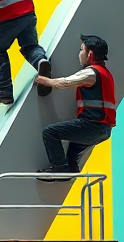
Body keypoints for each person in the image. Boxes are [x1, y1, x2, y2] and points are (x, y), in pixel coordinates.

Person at [36, 34, 115, 179]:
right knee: (73, 148)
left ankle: (60, 168)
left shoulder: (91, 73)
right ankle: (71, 169)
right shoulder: (106, 73)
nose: (80, 54)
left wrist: (43, 80)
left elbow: (64, 82)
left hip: (91, 126)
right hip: (104, 129)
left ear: (89, 54)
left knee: (50, 132)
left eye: (81, 50)